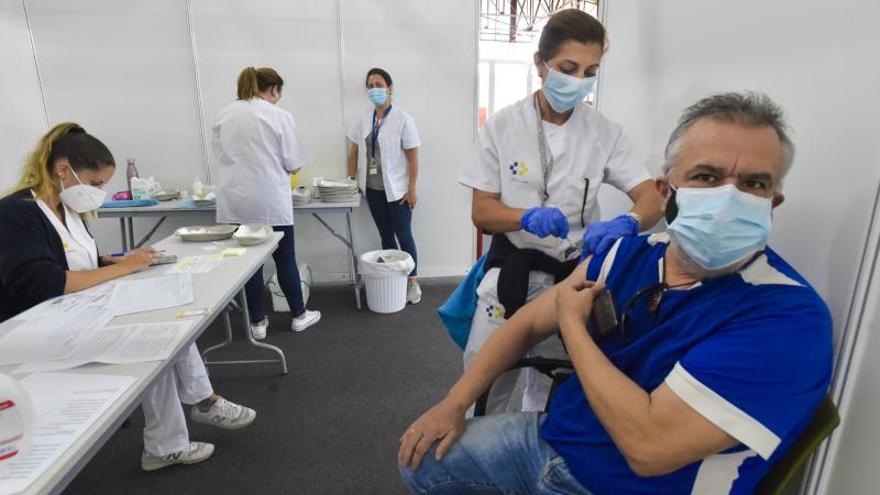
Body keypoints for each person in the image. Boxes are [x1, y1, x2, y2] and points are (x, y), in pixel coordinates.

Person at [399, 92, 833, 494]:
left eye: (754, 185)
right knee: (422, 461)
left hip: (628, 485)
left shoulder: (786, 319)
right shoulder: (630, 254)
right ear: (666, 192)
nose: (728, 199)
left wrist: (573, 324)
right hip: (559, 436)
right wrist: (453, 403)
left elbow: (648, 450)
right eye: (707, 176)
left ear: (773, 203)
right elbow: (528, 321)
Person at [0, 123, 256, 471]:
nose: (99, 192)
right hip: (33, 333)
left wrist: (114, 260)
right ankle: (179, 431)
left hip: (70, 314)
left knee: (170, 317)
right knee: (153, 340)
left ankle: (199, 406)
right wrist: (125, 268)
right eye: (95, 184)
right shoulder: (17, 213)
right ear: (63, 170)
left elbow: (72, 259)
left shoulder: (65, 211)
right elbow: (44, 281)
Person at [459, 9, 663, 414]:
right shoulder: (503, 127)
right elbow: (482, 212)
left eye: (591, 71)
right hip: (513, 273)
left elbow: (652, 196)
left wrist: (630, 221)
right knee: (484, 380)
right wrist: (524, 217)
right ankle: (474, 454)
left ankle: (535, 452)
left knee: (556, 383)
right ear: (540, 64)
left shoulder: (603, 132)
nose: (579, 82)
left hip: (573, 276)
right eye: (568, 68)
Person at [213, 66, 321, 339]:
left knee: (250, 263)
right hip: (270, 201)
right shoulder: (279, 116)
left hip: (236, 201)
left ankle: (257, 323)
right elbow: (295, 164)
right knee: (284, 258)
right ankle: (299, 315)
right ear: (274, 90)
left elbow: (221, 156)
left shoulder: (224, 115)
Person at [347, 68, 422, 304]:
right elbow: (354, 151)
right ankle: (394, 279)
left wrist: (411, 189)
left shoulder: (403, 119)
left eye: (378, 84)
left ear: (390, 88)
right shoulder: (364, 117)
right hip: (373, 190)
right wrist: (351, 181)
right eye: (370, 85)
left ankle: (412, 281)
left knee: (405, 237)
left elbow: (413, 157)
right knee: (385, 236)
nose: (374, 89)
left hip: (397, 191)